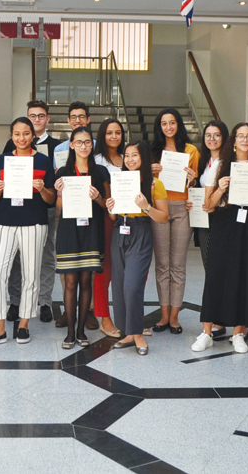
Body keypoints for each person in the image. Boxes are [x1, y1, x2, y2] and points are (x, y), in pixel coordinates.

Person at [0, 117, 56, 348]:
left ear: (32, 135)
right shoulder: (3, 160)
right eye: (16, 134)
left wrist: (42, 190)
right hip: (5, 222)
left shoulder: (43, 160)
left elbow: (51, 199)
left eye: (25, 133)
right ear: (11, 136)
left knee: (31, 275)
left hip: (34, 223)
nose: (21, 138)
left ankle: (23, 326)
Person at [193, 123, 248, 354]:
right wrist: (220, 188)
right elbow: (207, 205)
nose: (244, 140)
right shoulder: (219, 166)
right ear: (233, 141)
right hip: (224, 223)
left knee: (245, 277)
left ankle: (238, 333)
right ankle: (207, 332)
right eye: (240, 136)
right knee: (216, 275)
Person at [2, 100, 63, 326]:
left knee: (46, 256)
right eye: (32, 116)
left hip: (43, 207)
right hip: (17, 207)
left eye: (40, 116)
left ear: (47, 119)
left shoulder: (57, 146)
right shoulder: (12, 144)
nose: (36, 119)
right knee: (17, 257)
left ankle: (45, 301)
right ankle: (16, 301)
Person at [106, 141, 168, 355]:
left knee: (133, 285)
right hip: (119, 231)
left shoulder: (154, 184)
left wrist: (147, 207)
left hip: (141, 232)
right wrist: (110, 208)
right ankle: (128, 332)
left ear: (143, 157)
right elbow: (113, 216)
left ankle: (138, 333)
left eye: (135, 155)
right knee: (120, 285)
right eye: (127, 155)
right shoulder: (120, 181)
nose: (130, 159)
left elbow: (164, 217)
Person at [54, 126, 109, 348]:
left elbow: (107, 205)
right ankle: (69, 332)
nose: (83, 146)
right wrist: (59, 192)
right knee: (70, 282)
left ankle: (80, 331)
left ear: (92, 145)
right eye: (79, 142)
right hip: (68, 231)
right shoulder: (62, 173)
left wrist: (97, 198)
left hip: (92, 230)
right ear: (71, 144)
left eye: (88, 142)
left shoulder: (101, 172)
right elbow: (58, 207)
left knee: (86, 281)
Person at [149, 108, 199, 334]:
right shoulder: (152, 151)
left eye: (172, 123)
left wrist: (193, 179)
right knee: (162, 265)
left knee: (177, 265)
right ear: (159, 127)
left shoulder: (191, 150)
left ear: (178, 124)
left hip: (181, 208)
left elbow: (196, 186)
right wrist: (149, 171)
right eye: (164, 123)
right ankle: (164, 314)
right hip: (160, 207)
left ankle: (175, 316)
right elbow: (143, 181)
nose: (168, 127)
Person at [51, 102, 97, 329]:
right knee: (69, 276)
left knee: (87, 276)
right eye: (73, 117)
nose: (77, 120)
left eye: (81, 116)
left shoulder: (98, 160)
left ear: (88, 120)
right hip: (69, 220)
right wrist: (60, 191)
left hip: (91, 223)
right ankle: (70, 314)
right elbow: (59, 203)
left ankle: (88, 312)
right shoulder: (60, 155)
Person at [187, 121, 228, 341]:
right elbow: (199, 189)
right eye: (208, 135)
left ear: (224, 138)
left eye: (217, 135)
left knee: (219, 270)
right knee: (209, 270)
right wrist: (192, 194)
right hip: (203, 219)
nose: (211, 139)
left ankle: (222, 319)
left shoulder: (228, 163)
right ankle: (216, 317)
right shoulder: (204, 161)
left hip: (221, 219)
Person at [91, 118, 125, 338]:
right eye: (109, 133)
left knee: (129, 271)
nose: (114, 136)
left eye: (118, 132)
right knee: (105, 270)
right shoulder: (97, 161)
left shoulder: (128, 157)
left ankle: (129, 319)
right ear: (102, 136)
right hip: (106, 219)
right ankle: (104, 318)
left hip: (131, 220)